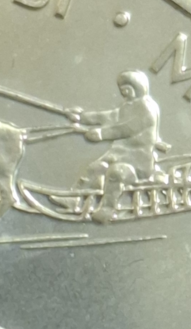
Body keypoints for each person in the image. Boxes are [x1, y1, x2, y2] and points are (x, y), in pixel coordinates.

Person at [53, 70, 168, 220]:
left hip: (138, 163)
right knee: (96, 168)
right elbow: (109, 116)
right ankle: (74, 198)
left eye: (127, 89)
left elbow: (127, 129)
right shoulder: (128, 106)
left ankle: (107, 209)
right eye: (122, 90)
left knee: (116, 173)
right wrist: (82, 117)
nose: (124, 93)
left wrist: (102, 134)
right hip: (119, 155)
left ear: (138, 88)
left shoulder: (146, 109)